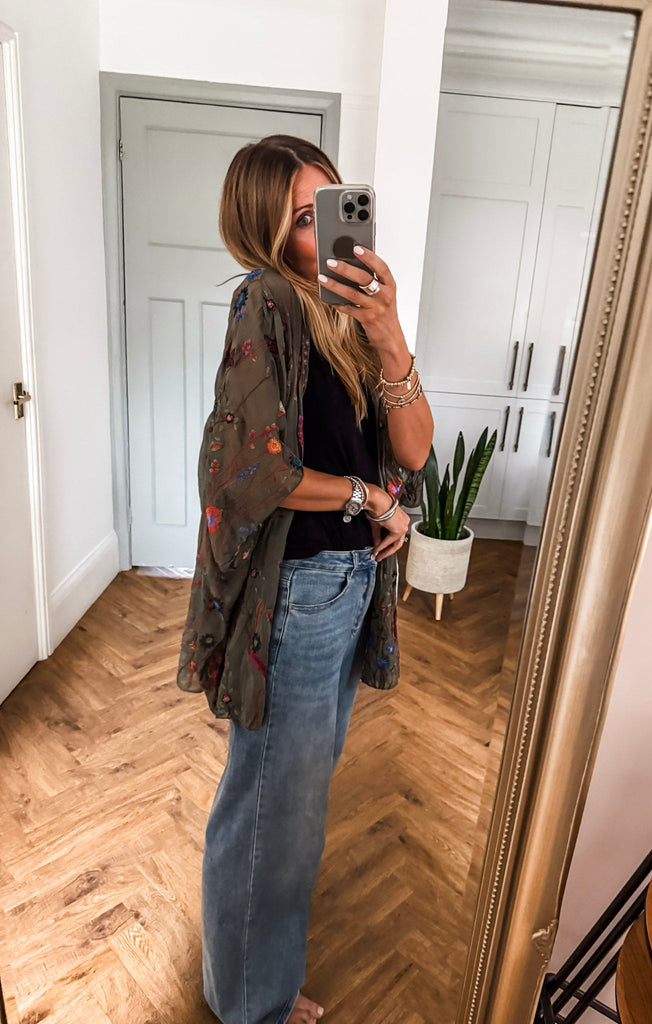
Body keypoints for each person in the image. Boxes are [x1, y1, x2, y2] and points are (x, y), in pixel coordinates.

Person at [176, 135, 433, 1024]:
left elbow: (414, 450)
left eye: (331, 208)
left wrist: (389, 334)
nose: (325, 235)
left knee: (288, 801)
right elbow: (252, 471)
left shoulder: (343, 317)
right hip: (302, 590)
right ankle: (254, 1004)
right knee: (272, 816)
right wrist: (370, 500)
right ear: (263, 230)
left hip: (347, 581)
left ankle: (245, 983)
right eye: (301, 220)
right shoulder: (268, 301)